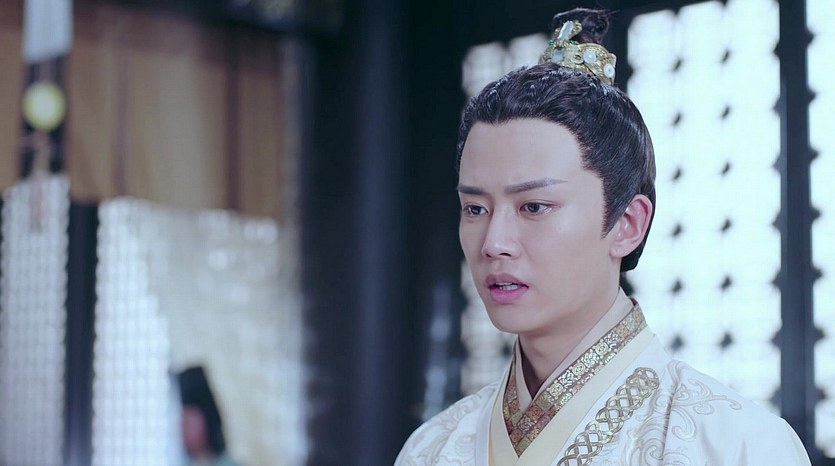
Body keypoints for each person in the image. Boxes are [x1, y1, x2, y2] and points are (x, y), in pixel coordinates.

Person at [395, 8, 811, 466]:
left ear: (627, 224)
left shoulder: (738, 446)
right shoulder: (431, 449)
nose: (494, 242)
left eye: (534, 207)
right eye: (476, 208)